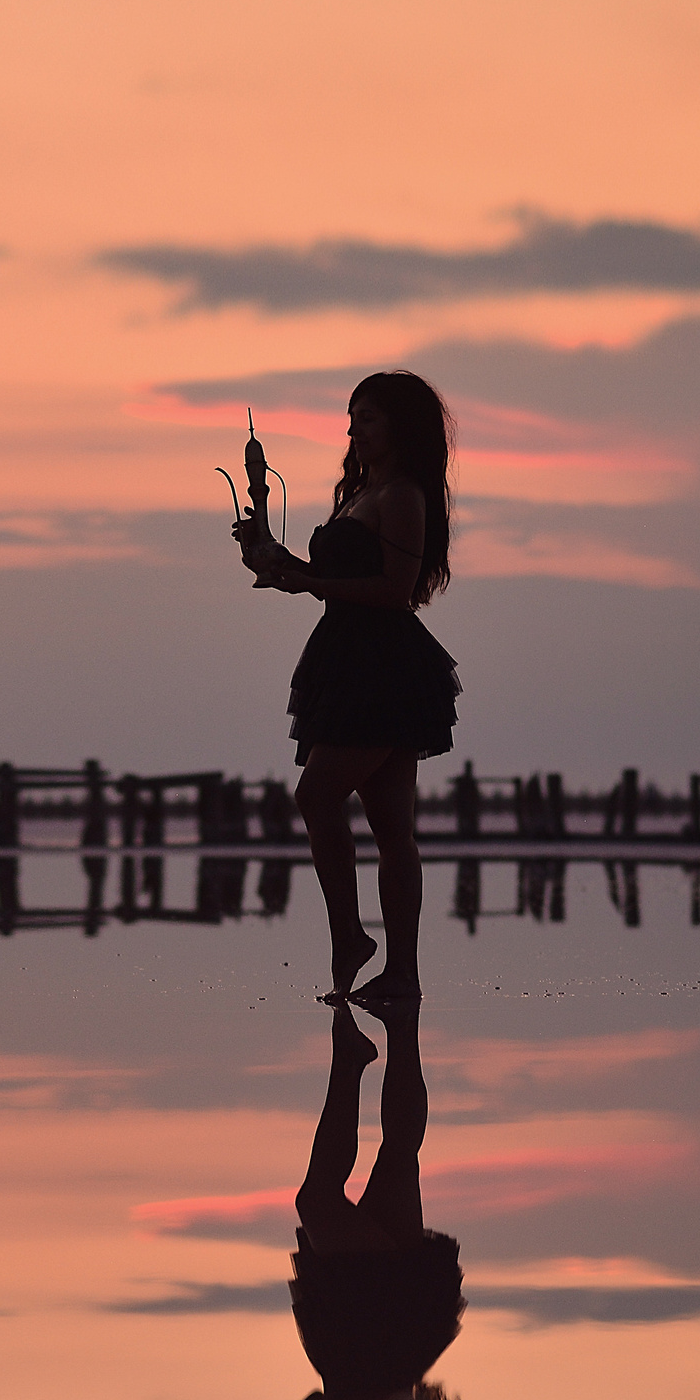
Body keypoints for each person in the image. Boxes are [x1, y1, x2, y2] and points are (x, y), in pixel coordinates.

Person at [234, 372, 460, 1002]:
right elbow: (331, 581)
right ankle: (402, 975)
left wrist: (309, 582)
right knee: (391, 827)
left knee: (317, 796)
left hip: (383, 666)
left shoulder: (404, 495)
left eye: (369, 418)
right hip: (347, 658)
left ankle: (350, 936)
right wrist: (275, 561)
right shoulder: (360, 492)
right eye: (352, 416)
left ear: (401, 427)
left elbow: (395, 590)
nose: (354, 429)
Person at [234, 1001, 463, 1400]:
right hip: (376, 1326)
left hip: (382, 1328)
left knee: (399, 1153)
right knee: (319, 1199)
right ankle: (354, 1056)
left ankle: (401, 1024)